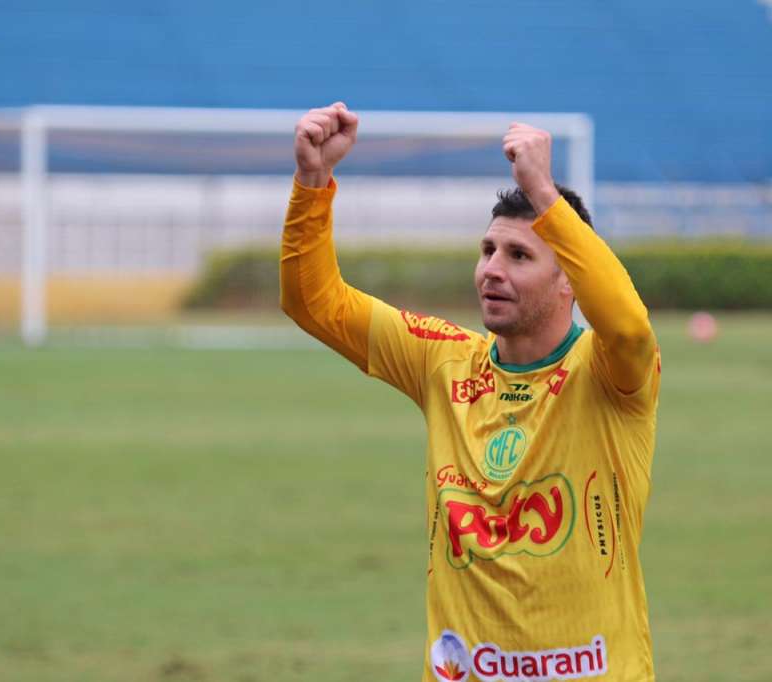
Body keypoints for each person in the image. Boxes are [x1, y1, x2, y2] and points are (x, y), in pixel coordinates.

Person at [281, 102, 660, 681]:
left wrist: (544, 193)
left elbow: (630, 327)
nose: (492, 270)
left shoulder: (609, 373)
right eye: (487, 251)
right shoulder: (443, 360)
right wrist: (312, 182)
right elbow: (313, 303)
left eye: (519, 255)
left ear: (570, 281)